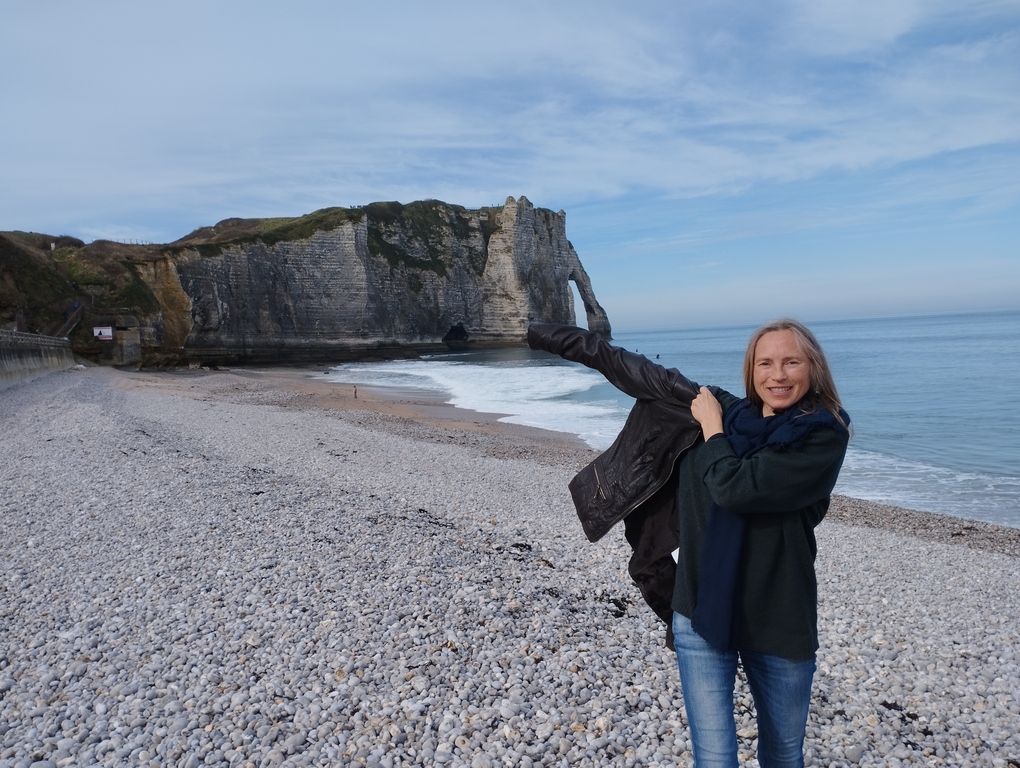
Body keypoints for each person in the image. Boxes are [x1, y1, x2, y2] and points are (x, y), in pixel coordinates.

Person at [527, 319, 849, 768]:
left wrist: (713, 429)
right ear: (751, 371)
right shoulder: (724, 410)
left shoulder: (820, 437)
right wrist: (549, 336)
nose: (778, 375)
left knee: (781, 755)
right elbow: (632, 369)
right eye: (766, 363)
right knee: (714, 757)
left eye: (791, 362)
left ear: (812, 368)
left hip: (778, 616)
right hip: (700, 607)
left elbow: (735, 487)